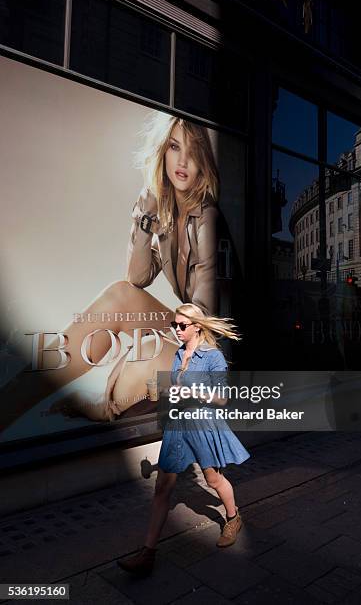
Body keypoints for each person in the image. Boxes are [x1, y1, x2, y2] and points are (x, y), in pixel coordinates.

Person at [1, 112, 224, 429]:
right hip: (187, 331)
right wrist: (144, 219)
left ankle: (101, 404)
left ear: (203, 159)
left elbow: (205, 316)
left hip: (213, 344)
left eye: (193, 151)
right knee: (121, 294)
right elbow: (136, 280)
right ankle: (11, 403)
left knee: (145, 361)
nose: (183, 161)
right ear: (162, 151)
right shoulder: (168, 212)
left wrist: (149, 345)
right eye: (175, 147)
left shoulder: (208, 218)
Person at [117, 303, 250, 578]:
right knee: (162, 488)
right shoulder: (179, 353)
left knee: (213, 480)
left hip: (202, 423)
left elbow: (222, 398)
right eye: (174, 325)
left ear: (197, 326)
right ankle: (148, 553)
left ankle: (233, 517)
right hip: (178, 425)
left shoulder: (214, 358)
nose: (176, 330)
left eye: (181, 325)